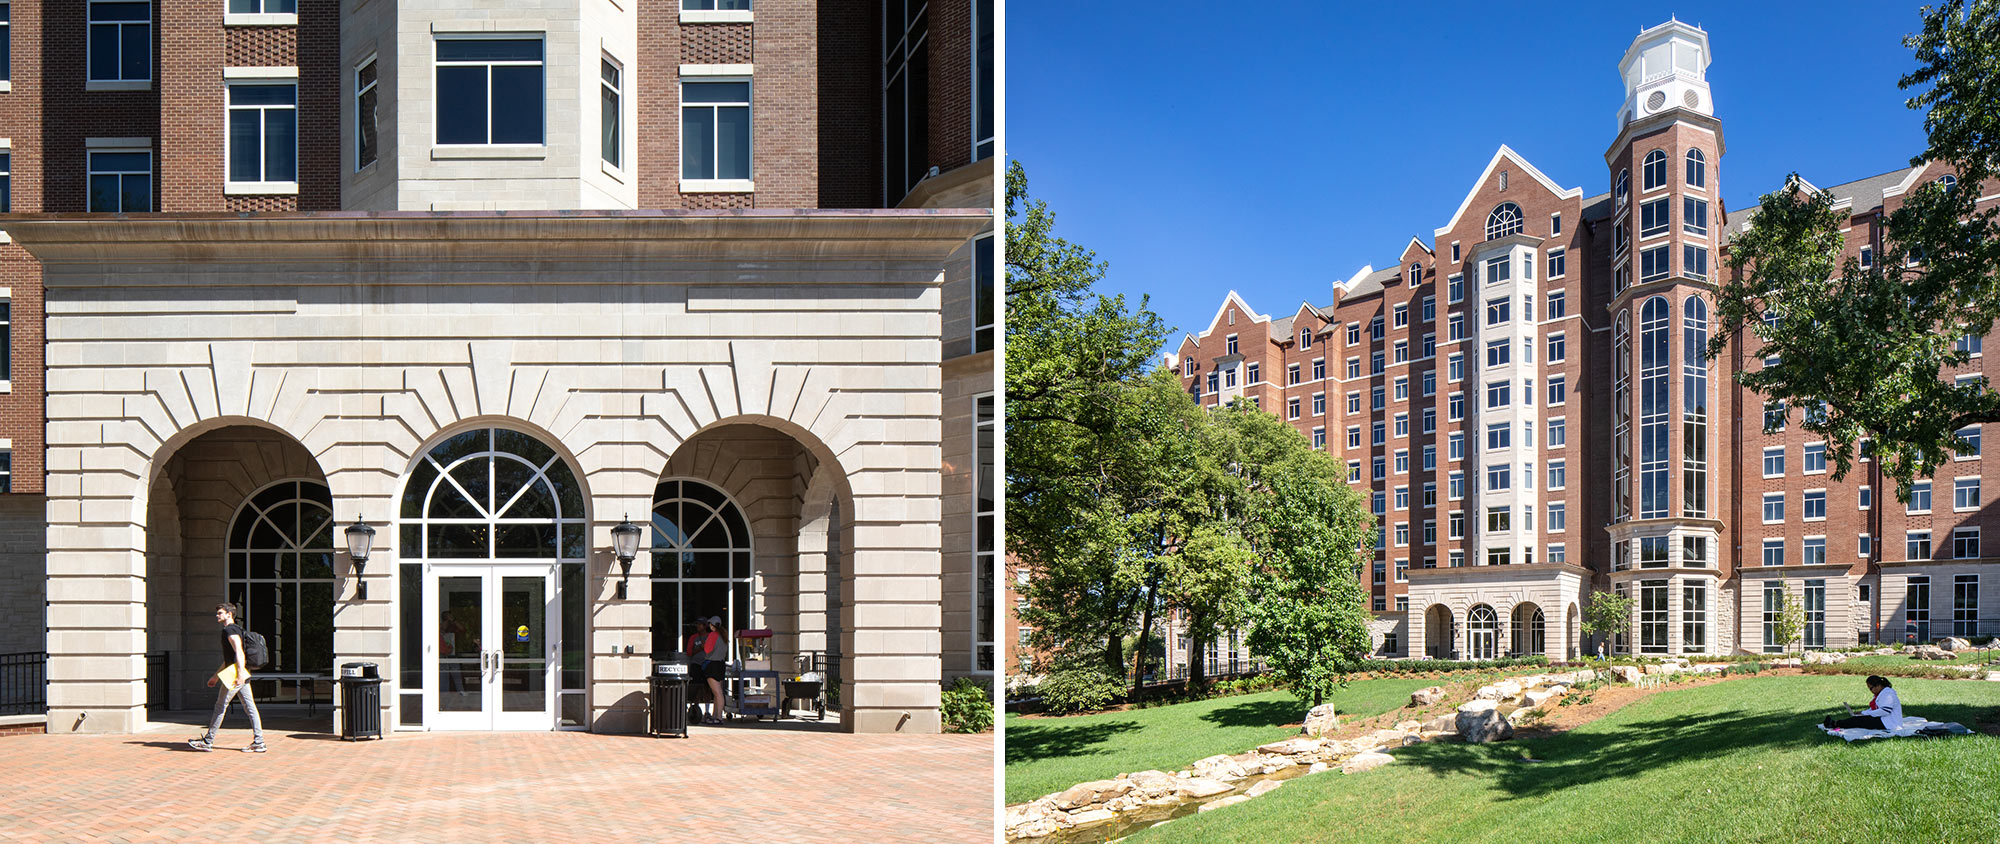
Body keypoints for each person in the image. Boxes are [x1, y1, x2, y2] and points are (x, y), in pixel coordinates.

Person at [189, 602, 266, 753]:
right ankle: (259, 742)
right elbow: (229, 659)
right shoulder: (237, 629)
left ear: (229, 614)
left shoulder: (230, 630)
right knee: (250, 707)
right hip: (239, 672)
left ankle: (208, 741)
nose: (217, 615)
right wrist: (215, 677)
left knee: (220, 706)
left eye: (220, 613)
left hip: (236, 674)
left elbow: (239, 652)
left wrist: (240, 674)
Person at [685, 616, 728, 724]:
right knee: (718, 693)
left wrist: (703, 646)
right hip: (721, 664)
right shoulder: (724, 636)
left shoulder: (713, 635)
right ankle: (716, 716)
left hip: (712, 664)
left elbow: (707, 649)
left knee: (716, 692)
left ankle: (718, 717)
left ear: (711, 625)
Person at [1824, 675, 1902, 731]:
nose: (1871, 691)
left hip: (1889, 723)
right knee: (1858, 719)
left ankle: (1834, 724)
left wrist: (1865, 714)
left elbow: (1885, 711)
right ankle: (1836, 723)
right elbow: (1875, 709)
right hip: (1883, 720)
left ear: (1878, 685)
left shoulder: (1888, 694)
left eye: (1871, 688)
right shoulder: (1881, 694)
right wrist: (1862, 713)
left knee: (1859, 721)